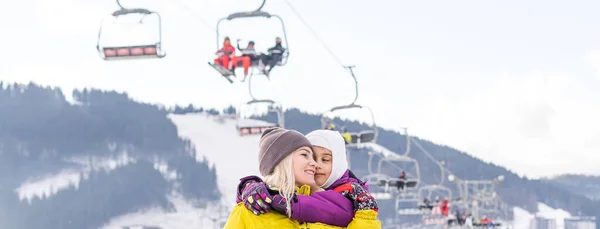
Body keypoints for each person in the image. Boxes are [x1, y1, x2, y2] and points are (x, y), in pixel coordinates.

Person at [234, 129, 381, 228]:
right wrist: (248, 185)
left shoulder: (346, 203)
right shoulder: (248, 211)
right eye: (305, 155)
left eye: (325, 160)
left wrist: (366, 214)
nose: (315, 164)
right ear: (283, 161)